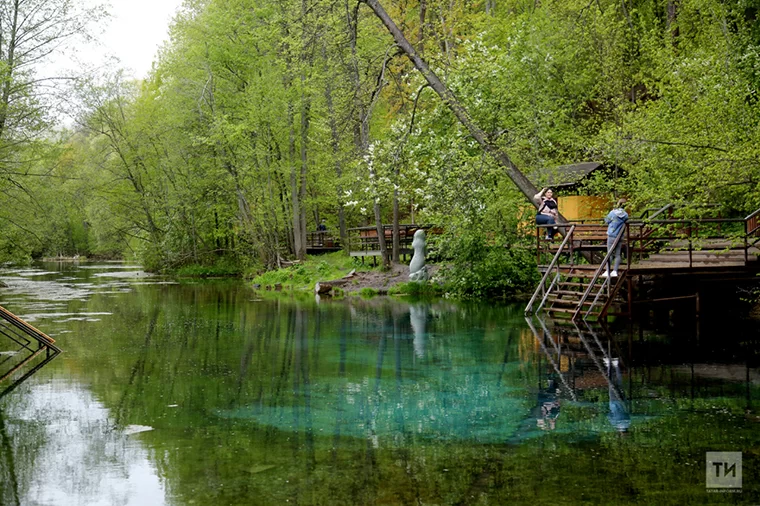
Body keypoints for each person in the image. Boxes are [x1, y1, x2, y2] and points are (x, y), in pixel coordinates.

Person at [603, 199, 629, 277]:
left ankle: (607, 271)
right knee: (618, 254)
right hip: (619, 236)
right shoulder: (625, 215)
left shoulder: (612, 213)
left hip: (611, 235)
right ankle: (615, 271)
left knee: (609, 254)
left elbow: (606, 220)